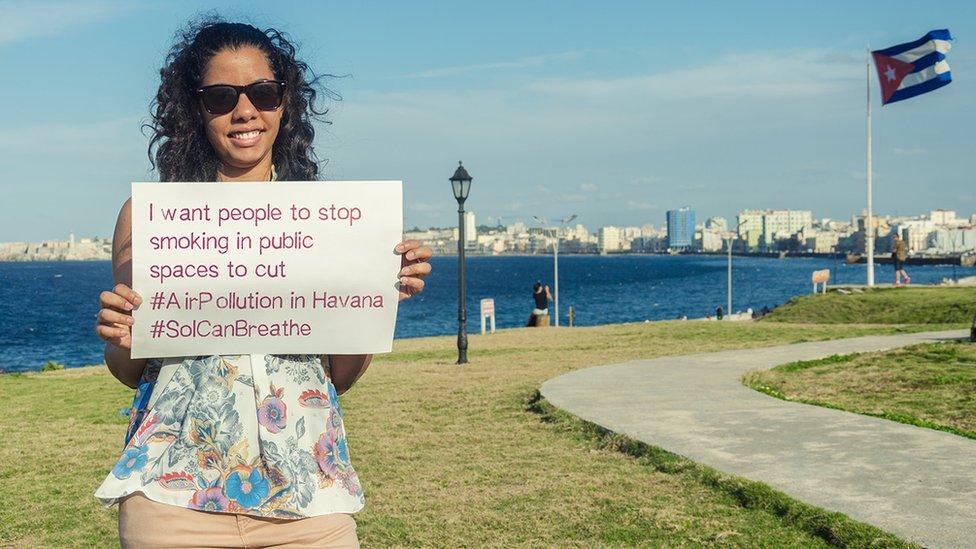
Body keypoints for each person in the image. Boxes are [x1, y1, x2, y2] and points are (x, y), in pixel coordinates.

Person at [92, 19, 432, 548]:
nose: (244, 110)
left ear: (285, 102)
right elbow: (129, 370)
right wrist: (118, 335)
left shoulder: (336, 223)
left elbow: (338, 379)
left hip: (309, 498)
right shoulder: (150, 219)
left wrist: (377, 295)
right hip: (173, 502)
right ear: (194, 109)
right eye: (221, 96)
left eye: (263, 93)